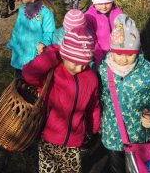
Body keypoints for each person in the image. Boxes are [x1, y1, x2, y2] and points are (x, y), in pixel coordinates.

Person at [22, 27, 101, 173]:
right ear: (64, 55)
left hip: (74, 141)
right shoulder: (53, 72)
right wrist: (52, 54)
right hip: (48, 137)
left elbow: (93, 106)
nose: (78, 68)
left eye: (84, 64)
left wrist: (93, 127)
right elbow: (28, 74)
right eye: (75, 63)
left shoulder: (90, 78)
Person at [99, 13, 150, 173]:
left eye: (129, 54)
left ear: (137, 50)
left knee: (138, 170)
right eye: (118, 54)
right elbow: (101, 96)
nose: (123, 59)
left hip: (139, 138)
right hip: (112, 135)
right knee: (116, 168)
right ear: (111, 50)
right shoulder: (104, 69)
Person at [6, 0, 55, 75]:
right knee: (19, 80)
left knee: (32, 80)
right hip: (19, 52)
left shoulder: (46, 12)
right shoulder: (22, 9)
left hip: (34, 55)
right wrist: (13, 42)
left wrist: (44, 43)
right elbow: (17, 28)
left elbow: (49, 32)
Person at [85, 0, 123, 67]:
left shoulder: (118, 13)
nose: (104, 6)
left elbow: (121, 34)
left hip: (118, 54)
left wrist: (120, 53)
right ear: (94, 2)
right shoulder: (89, 17)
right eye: (100, 3)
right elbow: (91, 40)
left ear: (112, 0)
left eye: (107, 2)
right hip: (99, 55)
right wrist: (99, 58)